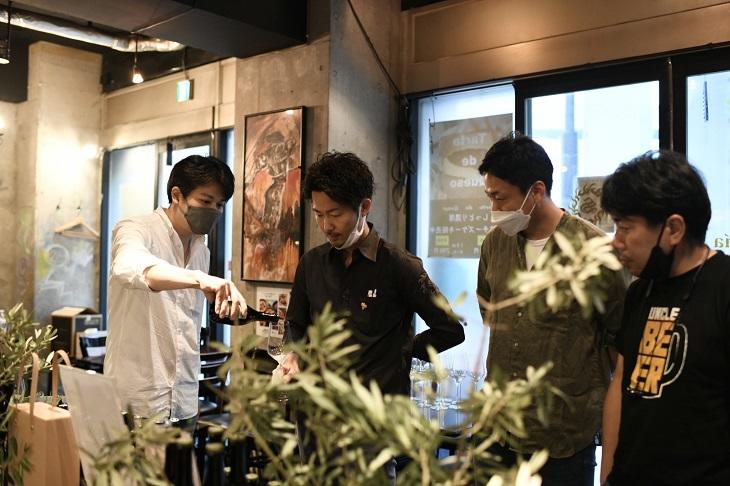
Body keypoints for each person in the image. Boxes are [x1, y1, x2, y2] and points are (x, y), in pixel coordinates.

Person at [279, 151, 465, 480]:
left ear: (364, 207)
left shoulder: (400, 266)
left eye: (335, 214)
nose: (326, 226)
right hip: (316, 414)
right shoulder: (312, 264)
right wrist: (292, 355)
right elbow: (295, 323)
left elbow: (450, 329)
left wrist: (402, 353)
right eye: (319, 214)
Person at [476, 133, 626, 486]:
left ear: (537, 191)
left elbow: (620, 339)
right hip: (500, 430)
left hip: (564, 436)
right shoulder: (495, 243)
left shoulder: (594, 250)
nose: (494, 208)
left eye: (500, 197)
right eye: (490, 197)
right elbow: (489, 311)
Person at [600, 150, 730, 485]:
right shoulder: (640, 290)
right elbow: (621, 382)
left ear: (673, 229)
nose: (616, 242)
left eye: (625, 228)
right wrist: (607, 473)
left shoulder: (723, 286)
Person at [104, 155, 246, 427]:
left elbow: (187, 326)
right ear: (177, 195)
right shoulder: (136, 229)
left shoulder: (201, 250)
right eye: (205, 201)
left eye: (219, 205)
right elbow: (128, 265)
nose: (213, 210)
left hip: (185, 398)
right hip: (139, 399)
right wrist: (198, 279)